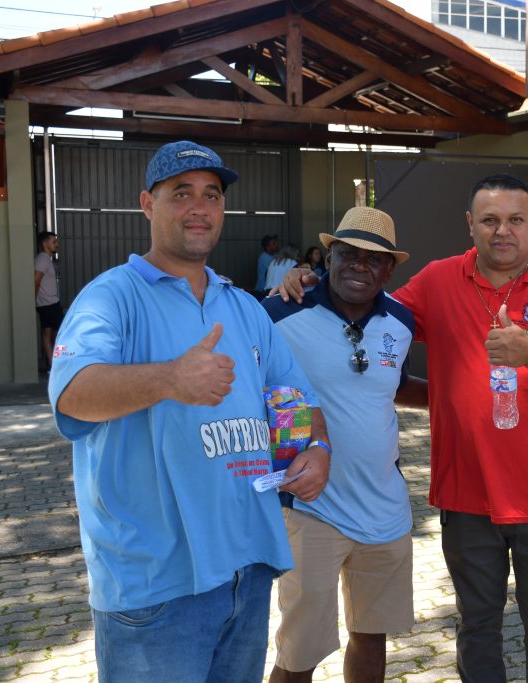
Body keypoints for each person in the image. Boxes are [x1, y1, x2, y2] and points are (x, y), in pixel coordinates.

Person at [279, 174, 528, 682]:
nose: (502, 231)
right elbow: (367, 311)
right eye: (490, 220)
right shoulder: (437, 280)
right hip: (464, 495)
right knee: (476, 626)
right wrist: (305, 281)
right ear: (470, 223)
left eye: (515, 220)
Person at [47, 140, 332, 683]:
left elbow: (296, 396)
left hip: (248, 570)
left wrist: (317, 448)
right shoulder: (112, 297)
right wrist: (170, 378)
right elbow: (71, 393)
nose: (199, 207)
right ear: (147, 205)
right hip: (156, 586)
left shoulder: (244, 306)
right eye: (181, 193)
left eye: (211, 195)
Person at [263, 207, 428, 683]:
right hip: (310, 508)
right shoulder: (280, 312)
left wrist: (457, 398)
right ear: (327, 257)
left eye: (373, 258)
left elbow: (390, 385)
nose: (359, 265)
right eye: (347, 254)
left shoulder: (400, 322)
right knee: (299, 652)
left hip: (384, 510)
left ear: (389, 269)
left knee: (371, 637)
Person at [34, 230, 64, 370]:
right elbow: (36, 280)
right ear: (45, 243)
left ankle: (53, 366)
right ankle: (58, 365)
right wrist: (33, 299)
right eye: (54, 242)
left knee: (47, 333)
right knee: (61, 333)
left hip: (48, 303)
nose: (56, 244)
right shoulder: (42, 259)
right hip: (49, 304)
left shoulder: (45, 259)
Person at [253, 233, 279, 298]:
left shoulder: (275, 255)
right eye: (274, 244)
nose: (276, 245)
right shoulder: (264, 258)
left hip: (269, 289)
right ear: (267, 247)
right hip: (262, 289)